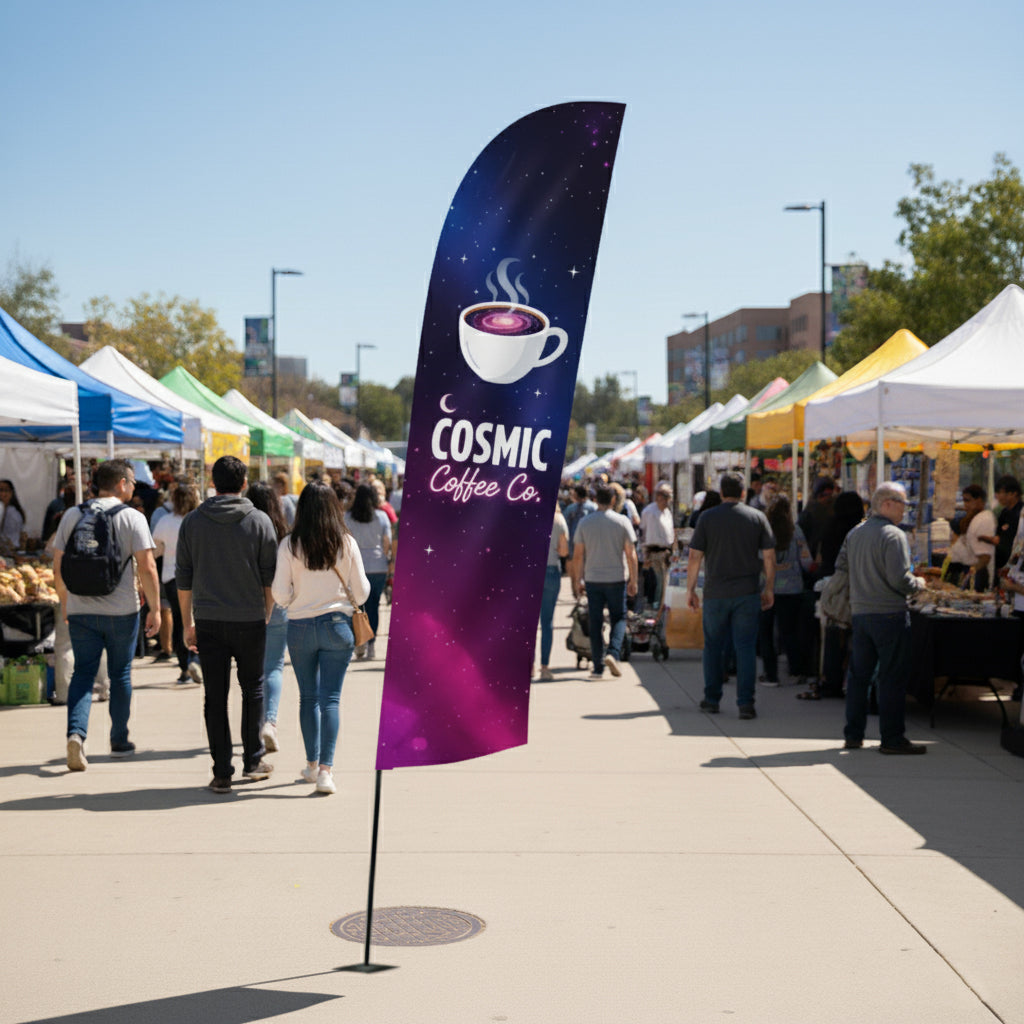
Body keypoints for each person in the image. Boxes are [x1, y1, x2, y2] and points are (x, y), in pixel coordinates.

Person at [176, 455, 278, 794]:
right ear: (245, 483)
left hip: (207, 620)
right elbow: (269, 578)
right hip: (249, 617)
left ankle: (221, 771)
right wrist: (266, 612)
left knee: (214, 697)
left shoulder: (192, 522)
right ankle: (253, 760)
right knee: (254, 689)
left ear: (212, 482)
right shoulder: (260, 520)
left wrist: (187, 622)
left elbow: (184, 578)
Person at [52, 459, 161, 770]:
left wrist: (65, 601)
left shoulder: (73, 514)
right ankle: (119, 740)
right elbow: (148, 567)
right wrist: (155, 608)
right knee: (120, 674)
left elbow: (58, 566)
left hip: (81, 608)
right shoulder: (133, 517)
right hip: (122, 610)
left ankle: (76, 734)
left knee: (84, 674)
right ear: (123, 484)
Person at [272, 482, 370, 795]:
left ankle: (312, 765)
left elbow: (278, 592)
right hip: (337, 625)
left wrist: (293, 600)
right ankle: (327, 770)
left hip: (299, 626)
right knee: (330, 699)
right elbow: (363, 590)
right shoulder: (346, 542)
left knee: (308, 698)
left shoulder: (290, 544)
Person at [838, 481, 927, 754]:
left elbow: (840, 566)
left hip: (861, 613)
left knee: (859, 677)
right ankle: (891, 738)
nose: (906, 510)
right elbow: (899, 579)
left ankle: (853, 734)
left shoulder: (855, 533)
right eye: (903, 504)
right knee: (891, 678)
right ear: (887, 503)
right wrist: (919, 584)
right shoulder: (893, 535)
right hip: (888, 614)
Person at [686, 473, 775, 720]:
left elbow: (695, 556)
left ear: (721, 492)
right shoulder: (757, 517)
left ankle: (712, 698)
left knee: (713, 646)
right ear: (744, 492)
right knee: (745, 648)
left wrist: (691, 589)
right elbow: (769, 556)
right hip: (747, 592)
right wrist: (769, 587)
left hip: (715, 593)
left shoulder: (707, 518)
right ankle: (746, 703)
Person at [802, 490, 865, 701]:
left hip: (829, 585)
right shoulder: (856, 532)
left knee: (831, 634)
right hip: (849, 586)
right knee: (850, 637)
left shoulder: (830, 527)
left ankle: (830, 678)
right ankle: (845, 679)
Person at [570, 484, 638, 680]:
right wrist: (634, 579)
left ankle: (598, 667)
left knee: (595, 621)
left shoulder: (585, 522)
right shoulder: (622, 521)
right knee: (619, 617)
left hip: (592, 578)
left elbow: (578, 556)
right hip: (616, 578)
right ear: (614, 500)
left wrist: (577, 580)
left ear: (595, 499)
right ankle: (613, 653)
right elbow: (631, 553)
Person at [246, 481, 291, 754]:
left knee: (251, 670)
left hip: (245, 606)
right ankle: (269, 723)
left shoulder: (242, 530)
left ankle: (255, 722)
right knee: (273, 666)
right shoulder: (283, 535)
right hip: (278, 605)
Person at [152, 478, 203, 685]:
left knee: (181, 622)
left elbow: (156, 550)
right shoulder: (200, 520)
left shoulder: (165, 522)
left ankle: (183, 667)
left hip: (173, 578)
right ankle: (197, 659)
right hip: (199, 578)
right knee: (199, 621)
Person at [759, 492, 813, 686]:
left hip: (768, 588)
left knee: (766, 633)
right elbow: (807, 562)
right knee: (789, 631)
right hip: (792, 589)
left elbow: (758, 559)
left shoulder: (763, 532)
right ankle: (796, 670)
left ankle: (771, 674)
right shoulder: (796, 531)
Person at [344, 483, 392, 660]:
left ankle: (359, 641)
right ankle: (371, 645)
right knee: (373, 607)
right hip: (378, 566)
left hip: (354, 567)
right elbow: (386, 541)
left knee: (355, 606)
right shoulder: (381, 516)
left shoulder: (347, 517)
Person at [537, 504, 569, 681]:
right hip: (550, 571)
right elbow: (564, 551)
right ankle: (544, 667)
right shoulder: (558, 520)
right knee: (547, 621)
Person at [947, 484, 996, 591]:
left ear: (979, 501)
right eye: (964, 501)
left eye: (968, 501)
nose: (965, 505)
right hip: (964, 570)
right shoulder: (972, 519)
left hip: (978, 575)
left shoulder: (984, 520)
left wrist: (970, 575)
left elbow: (985, 557)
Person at [640, 483, 676, 610]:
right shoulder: (649, 512)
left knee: (664, 581)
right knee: (659, 580)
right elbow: (643, 532)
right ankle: (656, 605)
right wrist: (645, 553)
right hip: (653, 551)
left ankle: (660, 605)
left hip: (665, 551)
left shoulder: (667, 512)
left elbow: (670, 532)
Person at [982, 476, 1023, 573]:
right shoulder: (1004, 512)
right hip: (1000, 564)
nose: (998, 496)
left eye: (1000, 492)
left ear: (1013, 493)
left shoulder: (1021, 513)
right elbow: (998, 536)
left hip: (1016, 565)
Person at [798, 475, 836, 566]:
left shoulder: (809, 511)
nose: (827, 499)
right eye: (824, 496)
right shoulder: (812, 512)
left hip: (815, 558)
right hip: (819, 558)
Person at [563, 483, 596, 560]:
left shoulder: (570, 509)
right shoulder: (594, 508)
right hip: (590, 543)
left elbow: (565, 525)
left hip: (573, 543)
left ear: (576, 494)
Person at [0, 479, 27, 551]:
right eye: (1, 490)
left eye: (5, 490)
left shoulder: (12, 511)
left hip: (9, 549)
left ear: (11, 493)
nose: (2, 494)